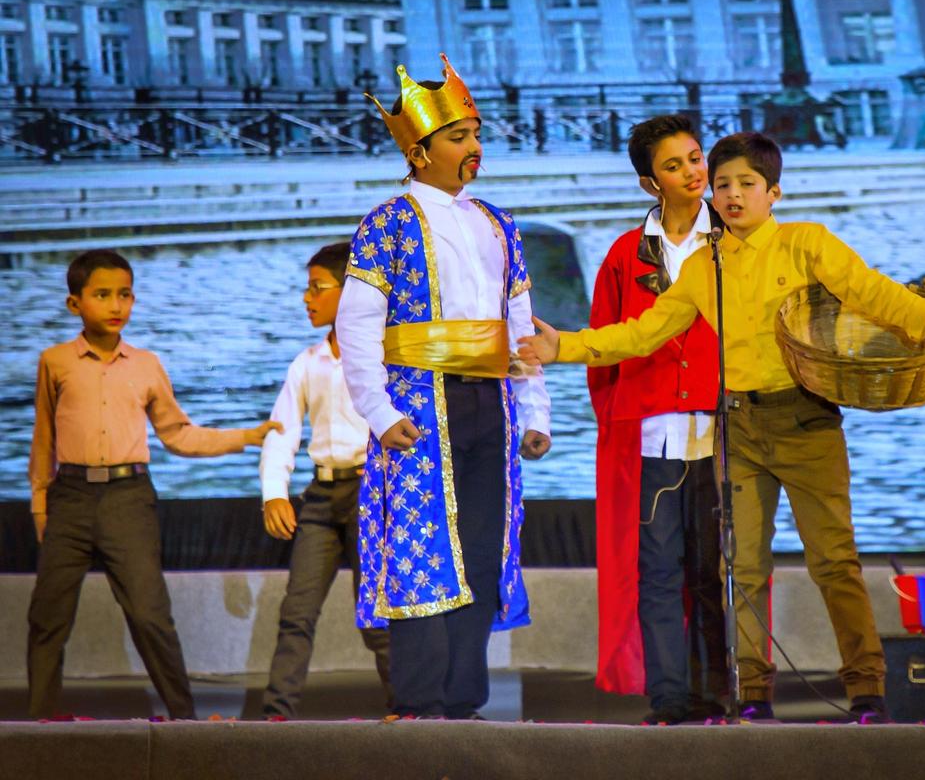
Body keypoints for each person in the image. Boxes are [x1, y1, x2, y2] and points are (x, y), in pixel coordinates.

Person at [519, 132, 925, 723]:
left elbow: (875, 295)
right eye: (722, 185)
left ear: (773, 192)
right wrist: (562, 344)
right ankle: (754, 694)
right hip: (739, 428)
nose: (733, 195)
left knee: (833, 560)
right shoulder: (703, 267)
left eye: (746, 184)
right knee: (740, 566)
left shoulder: (804, 243)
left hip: (806, 420)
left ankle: (866, 688)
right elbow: (640, 333)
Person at [336, 54, 551, 720]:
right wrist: (377, 410)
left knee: (483, 546)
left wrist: (535, 408)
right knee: (421, 547)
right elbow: (359, 324)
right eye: (459, 137)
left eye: (477, 134)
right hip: (420, 403)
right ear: (418, 150)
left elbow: (520, 322)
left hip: (490, 401)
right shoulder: (388, 223)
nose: (475, 148)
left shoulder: (498, 223)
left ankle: (465, 696)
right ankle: (421, 696)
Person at [27, 249, 280, 720]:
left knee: (149, 615)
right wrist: (40, 504)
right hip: (71, 498)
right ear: (74, 304)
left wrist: (244, 437)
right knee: (48, 617)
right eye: (102, 295)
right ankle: (38, 726)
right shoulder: (55, 362)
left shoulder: (145, 365)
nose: (115, 305)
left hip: (127, 497)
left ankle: (184, 720)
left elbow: (178, 434)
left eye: (123, 294)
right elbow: (44, 439)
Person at [588, 114, 725, 724]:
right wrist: (618, 420)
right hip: (650, 439)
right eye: (675, 165)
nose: (694, 172)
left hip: (723, 435)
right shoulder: (625, 255)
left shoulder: (734, 242)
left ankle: (723, 690)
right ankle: (670, 696)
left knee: (715, 569)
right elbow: (603, 346)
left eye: (696, 157)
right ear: (652, 184)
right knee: (659, 572)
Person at [258, 242, 391, 719]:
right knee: (297, 612)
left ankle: (408, 711)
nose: (306, 298)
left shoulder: (382, 356)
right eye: (307, 287)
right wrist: (275, 492)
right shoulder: (307, 362)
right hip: (319, 497)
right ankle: (277, 713)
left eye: (318, 287)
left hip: (369, 493)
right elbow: (282, 432)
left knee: (376, 616)